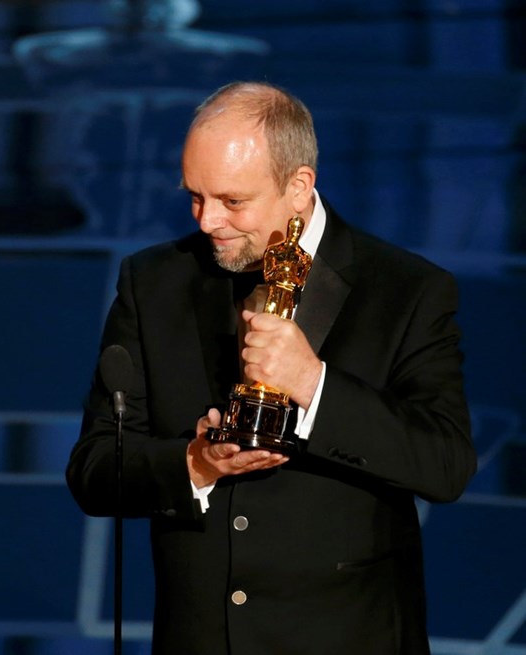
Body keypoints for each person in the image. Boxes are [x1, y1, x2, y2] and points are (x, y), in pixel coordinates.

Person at [67, 81, 476, 654]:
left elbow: (445, 465)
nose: (208, 220)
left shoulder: (406, 290)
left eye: (233, 201)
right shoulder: (154, 281)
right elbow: (94, 470)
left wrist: (313, 384)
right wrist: (196, 463)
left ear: (299, 186)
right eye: (195, 196)